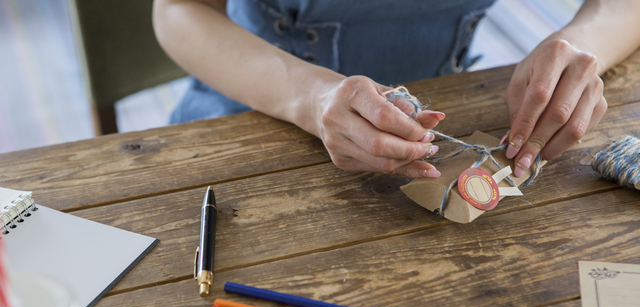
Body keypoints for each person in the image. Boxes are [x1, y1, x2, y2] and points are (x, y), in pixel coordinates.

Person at [153, 0, 640, 179]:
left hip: (442, 116)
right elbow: (176, 10)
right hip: (247, 126)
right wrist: (314, 97)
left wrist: (579, 43)